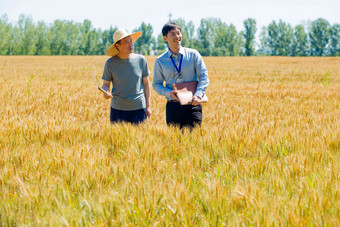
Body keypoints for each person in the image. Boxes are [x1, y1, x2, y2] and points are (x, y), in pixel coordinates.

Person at [152, 22, 209, 128]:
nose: (177, 36)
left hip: (193, 104)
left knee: (194, 140)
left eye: (178, 33)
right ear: (165, 38)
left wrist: (199, 94)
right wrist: (169, 93)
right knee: (175, 142)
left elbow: (204, 76)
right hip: (173, 106)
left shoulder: (193, 54)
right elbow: (156, 84)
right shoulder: (160, 61)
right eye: (172, 34)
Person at [101, 29, 151, 124]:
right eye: (126, 42)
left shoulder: (141, 60)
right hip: (118, 110)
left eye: (131, 41)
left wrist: (148, 106)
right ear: (117, 46)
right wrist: (105, 92)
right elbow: (105, 84)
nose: (130, 44)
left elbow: (146, 84)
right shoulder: (110, 63)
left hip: (139, 108)